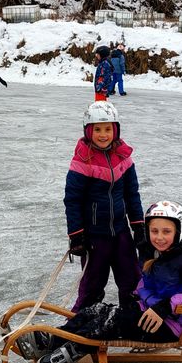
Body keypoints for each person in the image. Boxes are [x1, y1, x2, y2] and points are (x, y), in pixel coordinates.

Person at [15, 200, 182, 363]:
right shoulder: (152, 252)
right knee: (97, 310)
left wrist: (165, 306)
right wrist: (142, 298)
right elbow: (144, 283)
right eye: (154, 231)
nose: (159, 237)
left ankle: (69, 352)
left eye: (166, 231)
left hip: (171, 326)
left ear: (179, 231)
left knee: (110, 324)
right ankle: (53, 340)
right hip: (147, 312)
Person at [64, 101, 145, 314]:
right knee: (92, 285)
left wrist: (138, 225)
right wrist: (76, 234)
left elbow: (132, 194)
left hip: (121, 233)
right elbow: (72, 200)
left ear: (115, 130)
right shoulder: (82, 160)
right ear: (88, 131)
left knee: (132, 281)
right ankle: (80, 325)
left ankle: (134, 320)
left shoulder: (123, 157)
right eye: (97, 129)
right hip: (94, 237)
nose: (103, 134)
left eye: (108, 129)